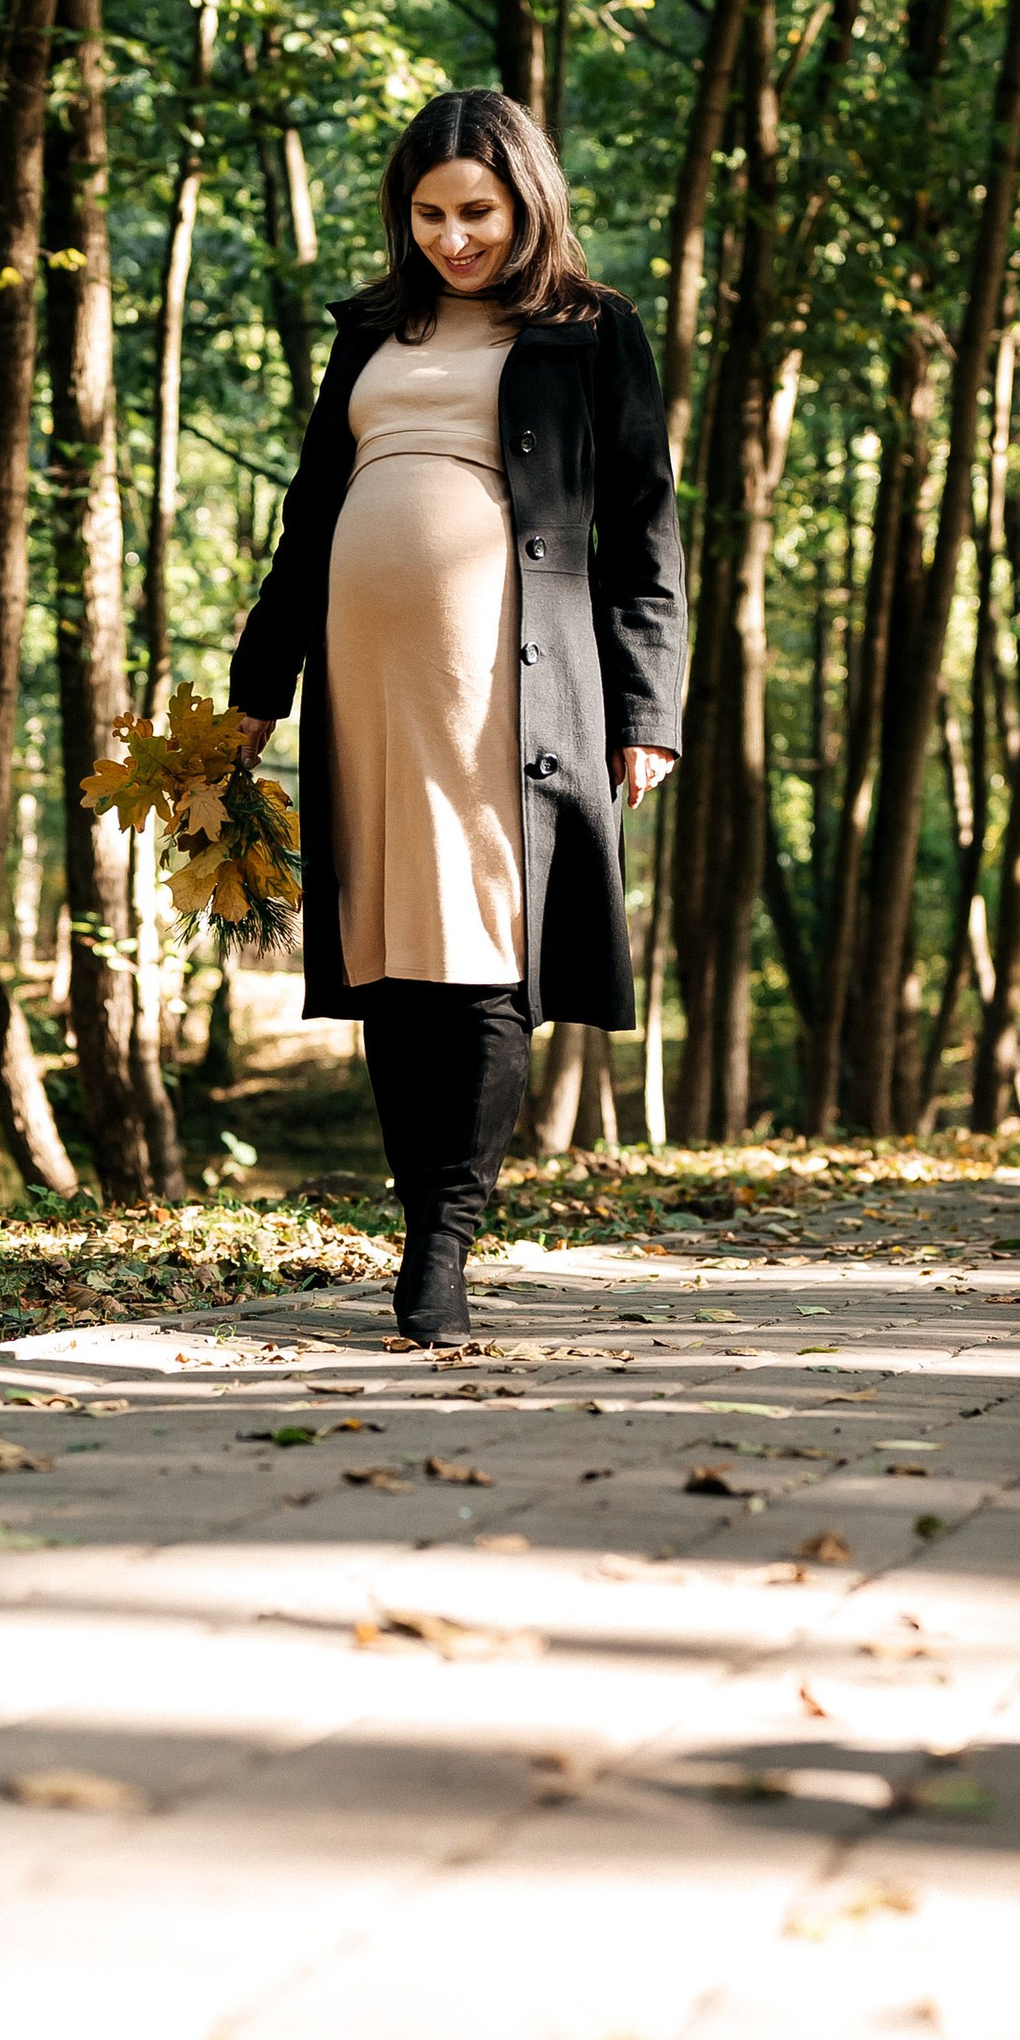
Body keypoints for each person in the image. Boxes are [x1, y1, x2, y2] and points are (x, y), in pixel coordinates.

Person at [228, 89, 684, 1345]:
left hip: (511, 685)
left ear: (524, 201)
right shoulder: (372, 331)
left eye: (474, 212)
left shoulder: (592, 333)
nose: (451, 238)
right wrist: (250, 700)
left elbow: (644, 533)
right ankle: (417, 1216)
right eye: (427, 214)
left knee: (486, 938)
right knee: (387, 948)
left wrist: (646, 708)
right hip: (364, 691)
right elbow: (308, 523)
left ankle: (444, 1240)